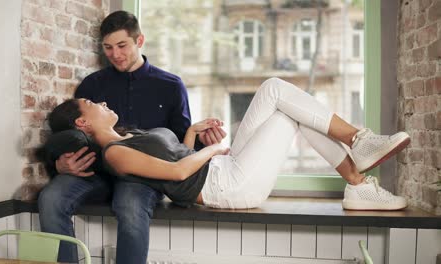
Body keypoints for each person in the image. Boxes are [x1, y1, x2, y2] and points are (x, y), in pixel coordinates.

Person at [48, 77, 410, 211]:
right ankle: (359, 171)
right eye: (93, 105)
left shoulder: (127, 138)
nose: (102, 103)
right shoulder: (116, 155)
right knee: (287, 113)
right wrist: (214, 149)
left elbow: (177, 155)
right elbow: (177, 172)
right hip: (229, 187)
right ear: (83, 122)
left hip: (221, 171)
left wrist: (194, 134)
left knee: (274, 89)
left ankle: (359, 161)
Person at [38, 11, 225, 264]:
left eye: (122, 45)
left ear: (139, 41)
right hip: (98, 174)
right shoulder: (91, 86)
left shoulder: (171, 85)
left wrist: (206, 141)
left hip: (143, 178)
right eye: (108, 47)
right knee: (50, 198)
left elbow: (179, 145)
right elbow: (70, 133)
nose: (115, 54)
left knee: (130, 206)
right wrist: (59, 164)